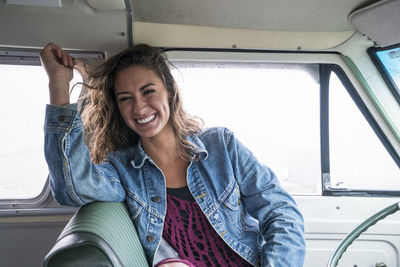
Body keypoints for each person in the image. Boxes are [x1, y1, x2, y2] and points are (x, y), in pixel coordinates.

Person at [40, 42, 306, 267]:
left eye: (148, 92)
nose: (140, 107)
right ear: (118, 108)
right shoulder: (122, 169)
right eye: (126, 98)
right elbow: (70, 188)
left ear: (169, 92)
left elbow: (282, 212)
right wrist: (59, 85)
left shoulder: (221, 146)